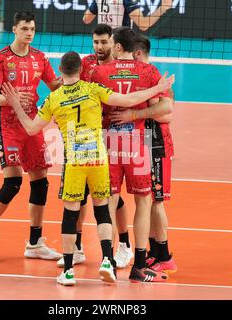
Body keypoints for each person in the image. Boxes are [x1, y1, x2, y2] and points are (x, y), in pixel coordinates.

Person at [0, 51, 173, 285]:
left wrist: (15, 105)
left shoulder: (54, 99)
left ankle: (68, 271)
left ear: (60, 71)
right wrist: (157, 88)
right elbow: (130, 100)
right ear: (80, 71)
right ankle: (106, 261)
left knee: (71, 214)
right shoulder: (93, 90)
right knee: (102, 210)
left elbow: (31, 128)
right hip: (99, 160)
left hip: (75, 162)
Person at [0, 11, 62, 262]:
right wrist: (11, 100)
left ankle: (35, 243)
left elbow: (55, 85)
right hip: (8, 125)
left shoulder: (39, 58)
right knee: (13, 182)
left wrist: (73, 80)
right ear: (14, 29)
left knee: (41, 182)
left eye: (32, 29)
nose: (29, 33)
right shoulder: (1, 59)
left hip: (32, 125)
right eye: (24, 28)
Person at [91, 26, 171, 282]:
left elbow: (91, 106)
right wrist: (136, 114)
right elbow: (166, 105)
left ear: (117, 46)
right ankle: (138, 265)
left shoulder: (100, 72)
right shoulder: (148, 71)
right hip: (138, 143)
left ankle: (109, 262)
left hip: (109, 141)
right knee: (143, 202)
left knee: (111, 202)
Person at [57, 23, 134, 269]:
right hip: (83, 138)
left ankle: (124, 244)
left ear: (114, 43)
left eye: (104, 42)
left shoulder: (121, 67)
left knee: (113, 194)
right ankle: (77, 247)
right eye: (96, 42)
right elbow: (65, 90)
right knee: (77, 197)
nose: (99, 47)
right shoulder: (86, 64)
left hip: (116, 133)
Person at [110, 33, 177, 274]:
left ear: (136, 54)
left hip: (156, 144)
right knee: (148, 202)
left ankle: (164, 256)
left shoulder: (150, 74)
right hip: (142, 143)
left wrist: (133, 114)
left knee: (155, 201)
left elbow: (167, 111)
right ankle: (155, 253)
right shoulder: (142, 76)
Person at [83, 0, 173, 31]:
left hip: (102, 43)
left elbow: (86, 19)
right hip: (121, 45)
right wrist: (163, 8)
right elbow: (143, 25)